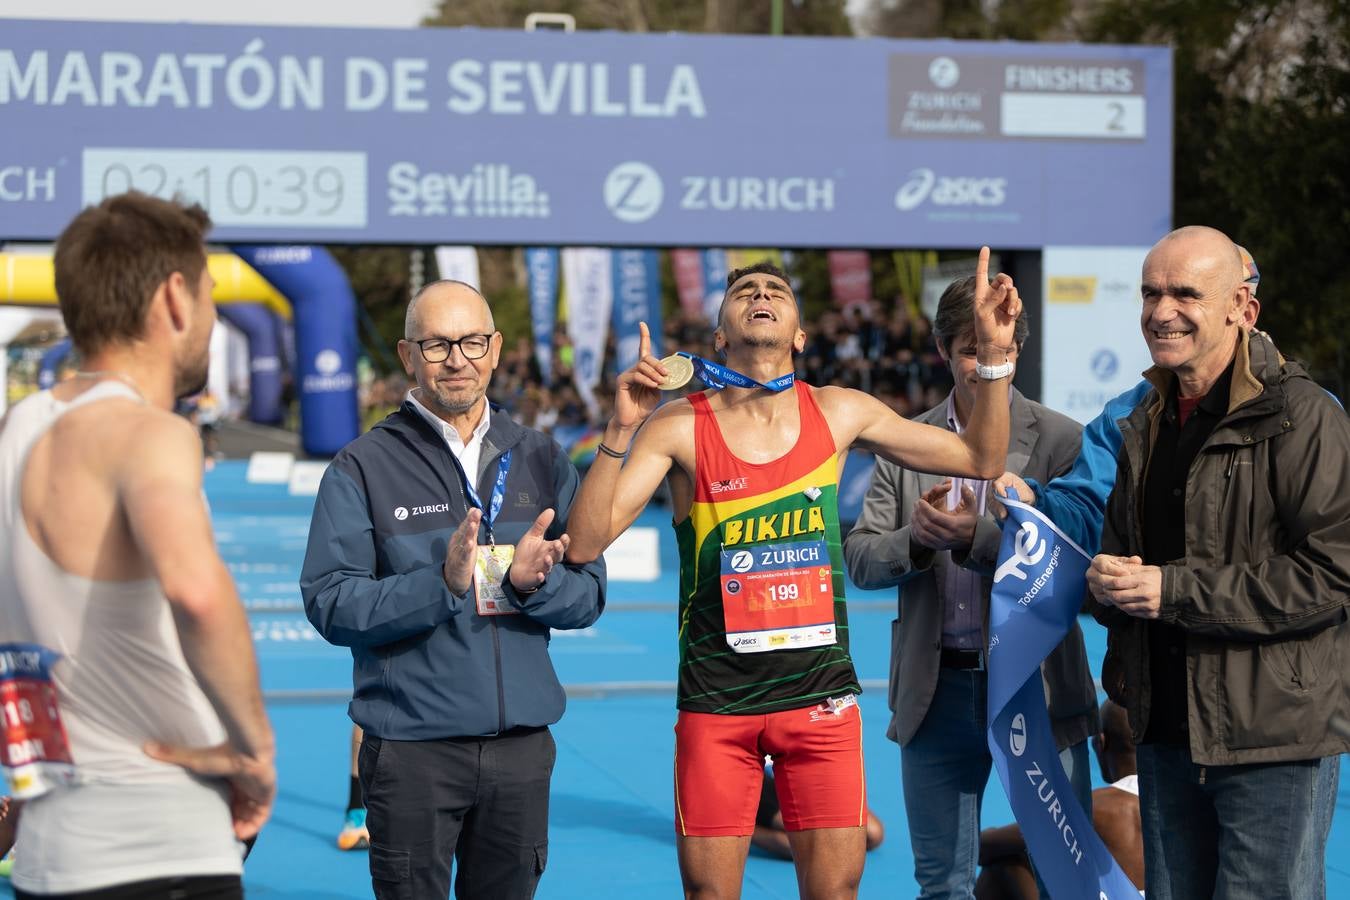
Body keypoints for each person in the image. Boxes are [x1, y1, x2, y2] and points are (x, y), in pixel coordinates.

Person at [564, 250, 1023, 900]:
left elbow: (982, 457)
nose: (761, 295)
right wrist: (620, 428)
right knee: (709, 894)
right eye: (744, 290)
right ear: (719, 335)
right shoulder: (680, 425)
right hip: (717, 703)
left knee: (835, 891)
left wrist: (995, 356)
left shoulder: (840, 412)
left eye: (775, 290)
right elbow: (585, 543)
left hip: (820, 702)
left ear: (800, 335)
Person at [0, 191, 276, 898]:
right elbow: (196, 592)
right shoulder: (152, 433)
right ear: (175, 298)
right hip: (159, 842)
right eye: (210, 296)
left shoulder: (18, 430)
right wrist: (253, 750)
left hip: (50, 850)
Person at [300, 279, 606, 900]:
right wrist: (439, 585)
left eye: (471, 342)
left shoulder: (543, 458)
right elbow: (330, 601)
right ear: (407, 356)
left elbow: (589, 594)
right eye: (437, 344)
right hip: (412, 750)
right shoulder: (361, 466)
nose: (457, 359)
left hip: (521, 750)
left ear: (495, 349)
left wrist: (530, 587)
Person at [1085, 225, 1350, 898]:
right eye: (1150, 293)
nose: (1161, 311)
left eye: (1185, 294)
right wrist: (1105, 581)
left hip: (1272, 742)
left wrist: (1171, 591)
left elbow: (1332, 576)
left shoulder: (1303, 416)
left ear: (1242, 308)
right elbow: (1127, 556)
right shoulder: (1144, 420)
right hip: (1165, 734)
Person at [842, 274, 1097, 900]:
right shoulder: (905, 441)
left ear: (1017, 349)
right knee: (942, 886)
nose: (986, 366)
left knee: (1065, 880)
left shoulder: (1063, 441)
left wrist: (978, 540)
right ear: (941, 350)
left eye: (997, 352)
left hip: (1039, 692)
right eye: (970, 351)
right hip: (937, 694)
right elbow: (860, 560)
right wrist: (916, 540)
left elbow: (1080, 573)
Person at [975, 700, 1144, 899]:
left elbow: (984, 847)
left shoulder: (1095, 807)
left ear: (1100, 742)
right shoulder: (1167, 804)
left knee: (1003, 867)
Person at [751, 767, 885, 861]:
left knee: (874, 834)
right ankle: (747, 831)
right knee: (811, 849)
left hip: (795, 767)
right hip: (758, 777)